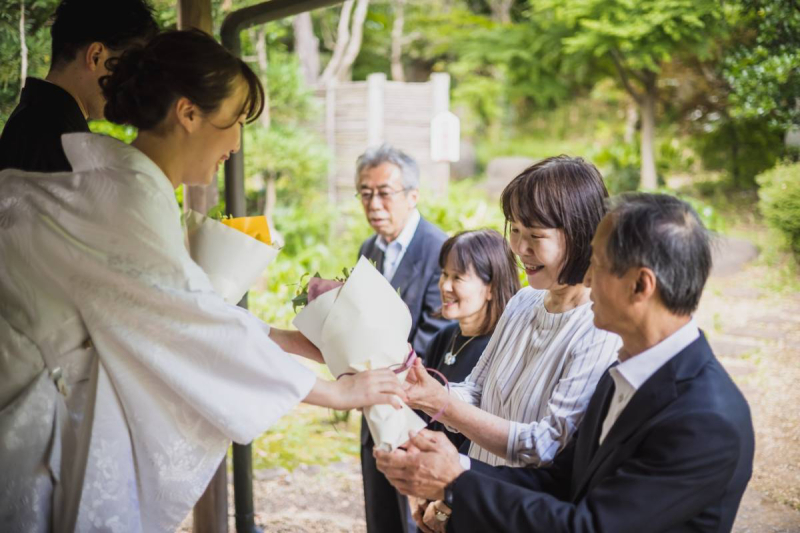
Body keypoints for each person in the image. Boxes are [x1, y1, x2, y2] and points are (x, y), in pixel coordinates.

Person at [0, 30, 407, 533]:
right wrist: (335, 394)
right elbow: (188, 323)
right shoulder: (128, 204)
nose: (236, 143)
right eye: (234, 121)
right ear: (188, 113)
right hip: (43, 418)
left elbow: (181, 309)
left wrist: (289, 342)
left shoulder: (123, 186)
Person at [376, 193, 755, 533]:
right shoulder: (622, 376)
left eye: (599, 265)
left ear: (641, 285)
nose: (585, 276)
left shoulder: (706, 420)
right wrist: (453, 482)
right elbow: (560, 482)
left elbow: (590, 525)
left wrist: (457, 481)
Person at [400, 156, 621, 527]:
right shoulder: (523, 302)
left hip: (529, 514)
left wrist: (444, 408)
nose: (519, 248)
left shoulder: (599, 327)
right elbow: (476, 390)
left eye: (535, 236)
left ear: (581, 234)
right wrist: (420, 390)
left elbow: (546, 445)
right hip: (480, 498)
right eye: (515, 230)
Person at [355, 143, 452, 533]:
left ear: (412, 196)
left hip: (416, 403)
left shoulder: (437, 247)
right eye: (365, 192)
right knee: (379, 506)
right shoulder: (369, 250)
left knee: (416, 511)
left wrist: (390, 376)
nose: (374, 203)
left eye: (384, 192)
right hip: (373, 397)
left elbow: (435, 330)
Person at [0, 0, 158, 173]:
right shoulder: (56, 139)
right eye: (129, 68)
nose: (130, 84)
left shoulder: (35, 119)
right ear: (96, 56)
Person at [424, 229, 520, 450]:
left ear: (491, 288)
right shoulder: (444, 337)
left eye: (457, 277)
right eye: (444, 274)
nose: (445, 286)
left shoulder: (501, 348)